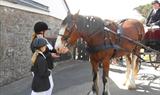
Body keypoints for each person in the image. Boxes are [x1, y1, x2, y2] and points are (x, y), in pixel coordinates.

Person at [30, 21, 68, 95]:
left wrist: (59, 51)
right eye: (45, 31)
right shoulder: (35, 42)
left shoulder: (44, 40)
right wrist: (51, 55)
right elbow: (39, 55)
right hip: (41, 70)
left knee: (48, 88)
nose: (46, 32)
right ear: (41, 31)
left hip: (46, 68)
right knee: (41, 91)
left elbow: (50, 50)